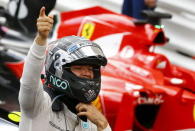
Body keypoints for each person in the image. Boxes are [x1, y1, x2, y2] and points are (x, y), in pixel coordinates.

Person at [19, 6, 111, 131]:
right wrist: (41, 38)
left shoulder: (92, 121)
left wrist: (103, 125)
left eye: (90, 69)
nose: (87, 73)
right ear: (59, 70)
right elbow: (28, 81)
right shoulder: (38, 103)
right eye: (79, 67)